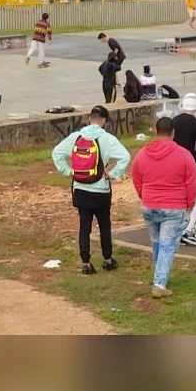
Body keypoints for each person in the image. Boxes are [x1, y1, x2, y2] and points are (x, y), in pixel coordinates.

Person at [51, 106, 131, 275]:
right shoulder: (108, 139)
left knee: (84, 226)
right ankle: (108, 260)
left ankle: (86, 263)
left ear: (90, 119)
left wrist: (68, 171)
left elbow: (57, 153)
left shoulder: (75, 137)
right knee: (104, 224)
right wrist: (114, 173)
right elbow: (125, 156)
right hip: (100, 189)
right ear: (104, 121)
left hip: (80, 188)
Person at [131, 117, 196, 298]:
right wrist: (189, 203)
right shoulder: (184, 155)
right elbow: (192, 183)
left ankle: (159, 278)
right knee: (167, 245)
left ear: (155, 130)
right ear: (173, 132)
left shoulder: (142, 154)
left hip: (150, 204)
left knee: (157, 243)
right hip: (174, 206)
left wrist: (143, 195)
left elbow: (137, 177)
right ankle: (159, 284)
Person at [172, 93, 196, 246]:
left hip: (175, 165)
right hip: (191, 164)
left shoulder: (173, 122)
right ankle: (189, 230)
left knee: (182, 198)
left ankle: (180, 229)